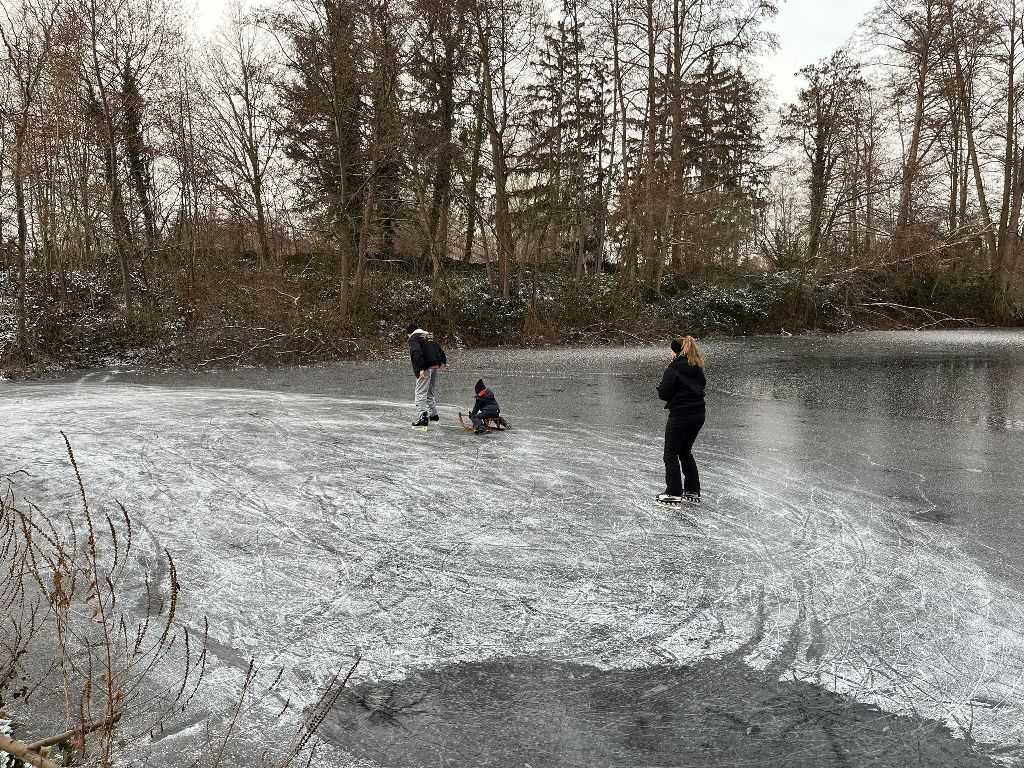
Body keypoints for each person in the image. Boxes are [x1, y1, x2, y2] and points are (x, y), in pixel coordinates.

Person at [655, 335, 706, 506]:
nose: (670, 353)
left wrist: (660, 387)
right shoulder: (696, 365)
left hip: (681, 416)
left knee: (670, 453)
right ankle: (692, 490)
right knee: (685, 451)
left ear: (675, 351)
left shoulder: (673, 368)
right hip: (698, 414)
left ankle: (674, 492)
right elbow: (700, 386)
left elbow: (664, 394)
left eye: (671, 350)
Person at [406, 323, 448, 427]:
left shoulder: (414, 338)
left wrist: (420, 369)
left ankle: (423, 417)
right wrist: (444, 360)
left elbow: (416, 352)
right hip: (435, 365)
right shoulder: (428, 335)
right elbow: (438, 348)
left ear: (410, 333)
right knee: (430, 391)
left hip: (425, 367)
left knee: (420, 392)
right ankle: (433, 415)